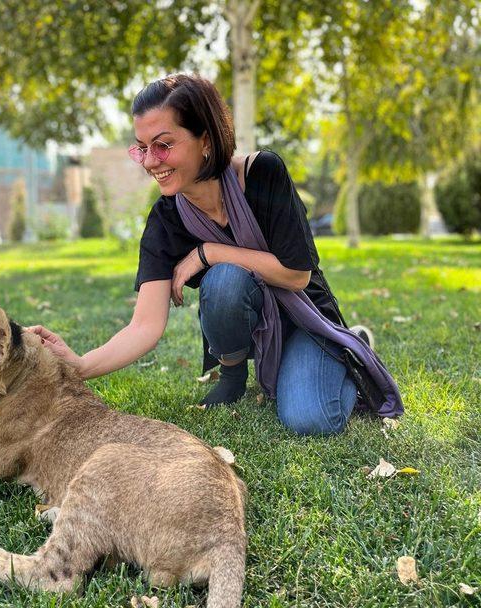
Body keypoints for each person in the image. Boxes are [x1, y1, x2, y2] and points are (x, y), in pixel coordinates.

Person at [29, 74, 385, 436]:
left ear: (206, 140)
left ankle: (348, 346)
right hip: (247, 315)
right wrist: (79, 365)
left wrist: (209, 252)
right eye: (141, 148)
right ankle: (233, 372)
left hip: (305, 319)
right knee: (226, 279)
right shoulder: (166, 220)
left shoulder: (263, 173)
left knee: (311, 420)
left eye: (163, 145)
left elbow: (296, 276)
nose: (151, 161)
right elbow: (144, 325)